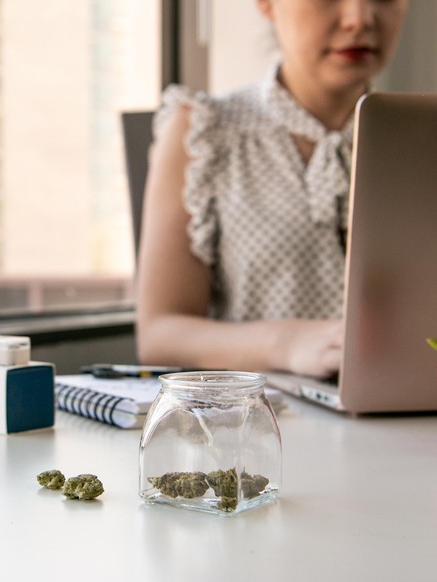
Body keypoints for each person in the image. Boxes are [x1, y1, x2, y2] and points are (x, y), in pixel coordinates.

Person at [135, 0, 408, 378]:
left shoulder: (426, 141)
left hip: (411, 420)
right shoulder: (204, 132)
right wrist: (288, 343)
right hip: (254, 423)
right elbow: (159, 335)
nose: (359, 18)